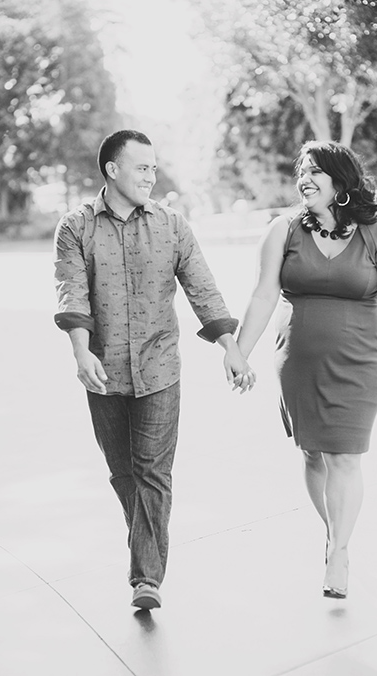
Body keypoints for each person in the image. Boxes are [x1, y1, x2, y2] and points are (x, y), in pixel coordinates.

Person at [53, 130, 251, 610]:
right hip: (102, 371)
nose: (151, 176)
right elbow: (71, 291)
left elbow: (202, 286)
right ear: (113, 169)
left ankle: (146, 578)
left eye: (154, 168)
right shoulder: (75, 227)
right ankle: (146, 543)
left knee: (152, 472)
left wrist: (231, 346)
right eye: (142, 167)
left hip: (160, 367)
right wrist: (81, 351)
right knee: (123, 473)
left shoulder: (172, 225)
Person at [234, 141, 377, 600]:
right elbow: (262, 296)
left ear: (340, 180)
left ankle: (340, 551)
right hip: (298, 363)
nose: (304, 179)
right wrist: (239, 350)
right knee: (313, 455)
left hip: (361, 362)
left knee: (345, 457)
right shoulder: (283, 230)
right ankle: (334, 532)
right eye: (301, 172)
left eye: (315, 171)